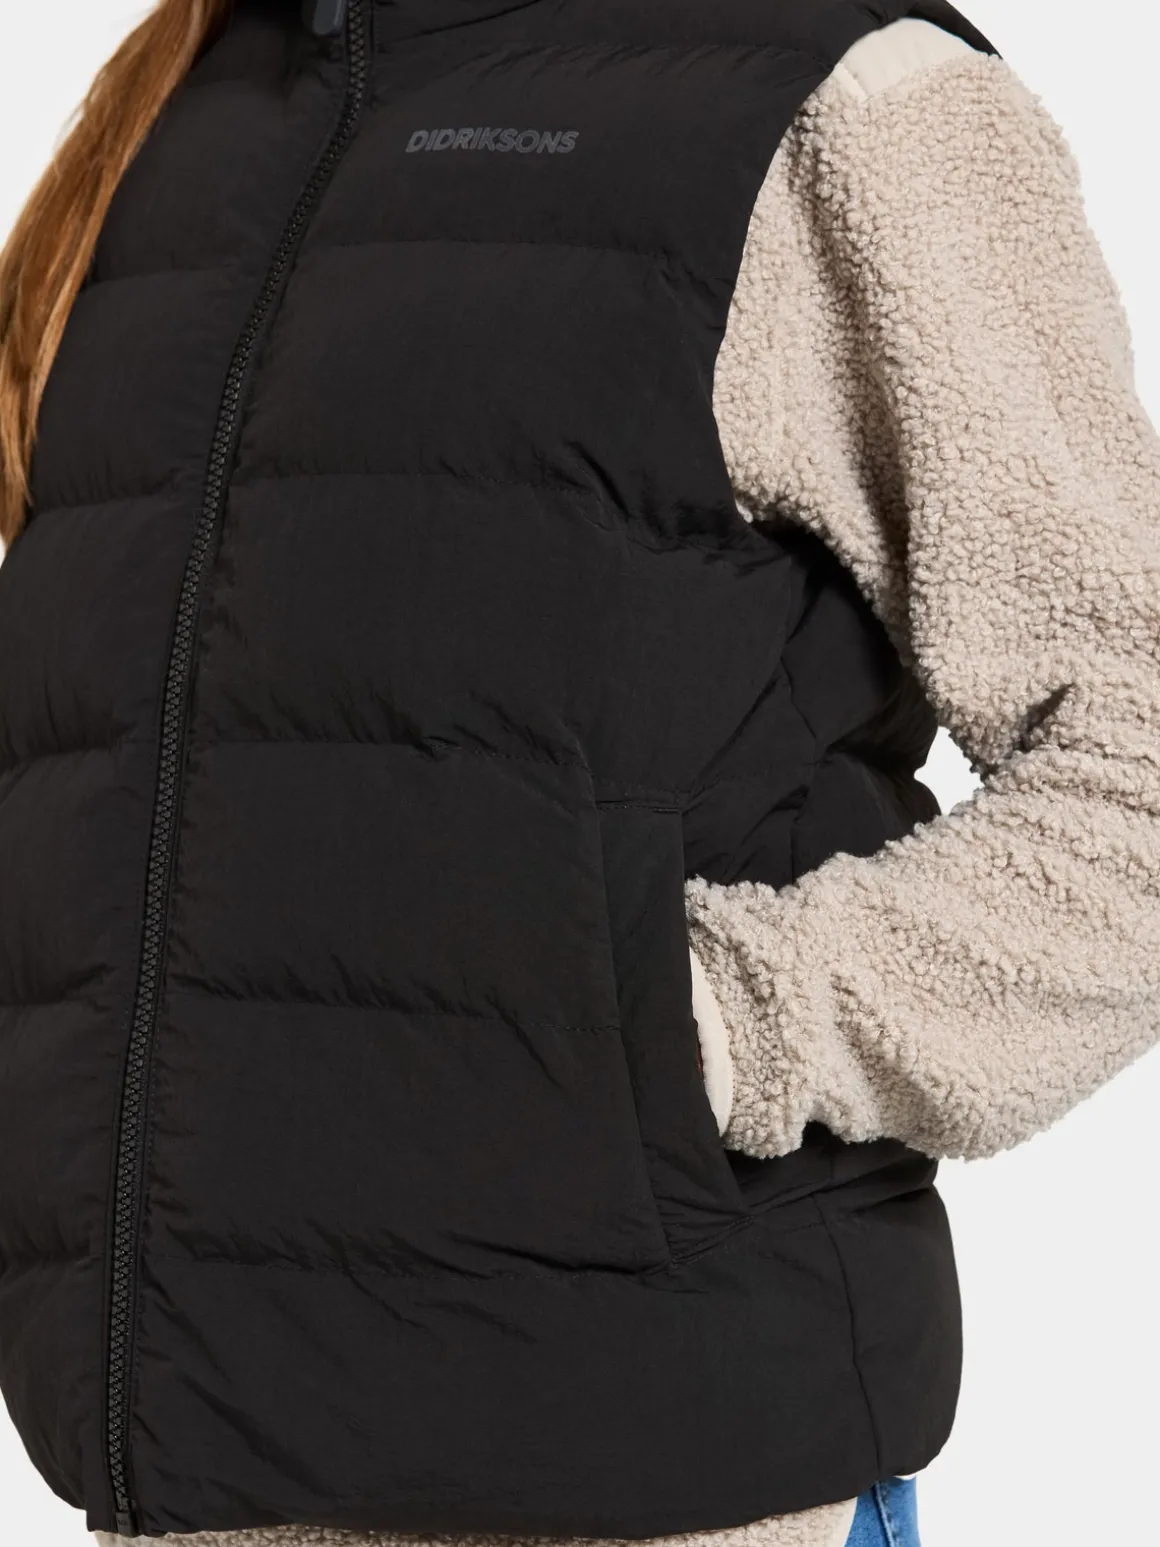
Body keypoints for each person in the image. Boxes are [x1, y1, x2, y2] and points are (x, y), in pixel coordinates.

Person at [0, 3, 1156, 1546]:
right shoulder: (197, 117)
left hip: (669, 1486)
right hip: (196, 1494)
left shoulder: (837, 105)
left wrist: (727, 1024)